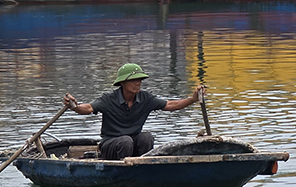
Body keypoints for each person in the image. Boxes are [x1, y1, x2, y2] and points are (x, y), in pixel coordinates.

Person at [63, 63, 206, 161]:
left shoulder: (145, 98)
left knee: (146, 137)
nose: (137, 83)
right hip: (111, 145)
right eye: (133, 80)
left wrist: (192, 99)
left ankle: (143, 168)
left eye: (139, 80)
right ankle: (122, 171)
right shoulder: (109, 99)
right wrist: (74, 107)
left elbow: (171, 105)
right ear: (122, 83)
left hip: (132, 142)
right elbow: (88, 108)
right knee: (125, 141)